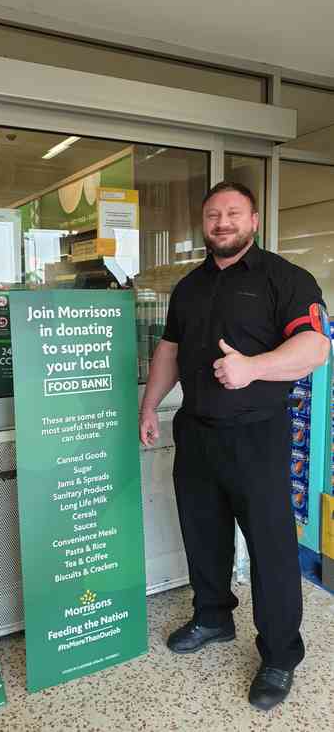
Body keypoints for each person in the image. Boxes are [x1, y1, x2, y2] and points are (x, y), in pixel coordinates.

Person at [139, 181, 330, 712]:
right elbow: (170, 351)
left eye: (233, 213)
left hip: (258, 437)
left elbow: (314, 348)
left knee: (270, 550)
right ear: (203, 224)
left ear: (253, 221)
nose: (222, 222)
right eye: (213, 214)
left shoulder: (286, 280)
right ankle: (213, 617)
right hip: (196, 433)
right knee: (203, 534)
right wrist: (150, 405)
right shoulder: (189, 287)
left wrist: (252, 368)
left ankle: (279, 655)